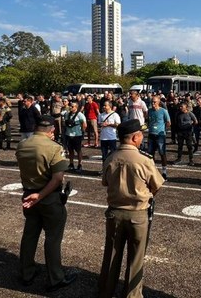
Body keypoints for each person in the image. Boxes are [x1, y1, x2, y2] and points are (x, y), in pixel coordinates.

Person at [98, 119, 164, 298]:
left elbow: (105, 182)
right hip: (138, 214)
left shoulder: (111, 157)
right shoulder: (144, 160)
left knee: (112, 255)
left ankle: (106, 291)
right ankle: (132, 295)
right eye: (141, 135)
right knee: (136, 258)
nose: (142, 137)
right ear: (135, 137)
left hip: (114, 213)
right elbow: (156, 185)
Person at [16, 116, 76, 292]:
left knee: (29, 235)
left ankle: (26, 272)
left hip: (28, 194)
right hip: (47, 196)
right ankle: (55, 277)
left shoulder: (22, 144)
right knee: (53, 238)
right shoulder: (54, 147)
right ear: (51, 131)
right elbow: (57, 179)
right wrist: (40, 195)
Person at [147, 96, 171, 178]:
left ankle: (164, 172)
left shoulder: (163, 111)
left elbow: (168, 122)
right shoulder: (149, 111)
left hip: (160, 135)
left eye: (155, 102)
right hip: (151, 134)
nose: (153, 104)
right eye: (152, 102)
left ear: (159, 102)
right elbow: (148, 120)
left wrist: (163, 129)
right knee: (150, 154)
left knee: (162, 153)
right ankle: (153, 171)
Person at [63, 101, 87, 172]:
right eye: (70, 106)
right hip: (68, 134)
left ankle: (80, 164)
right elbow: (65, 123)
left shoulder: (80, 115)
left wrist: (82, 132)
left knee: (78, 150)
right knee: (70, 150)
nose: (71, 107)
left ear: (76, 107)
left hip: (77, 135)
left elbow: (84, 124)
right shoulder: (67, 114)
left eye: (72, 106)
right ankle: (71, 164)